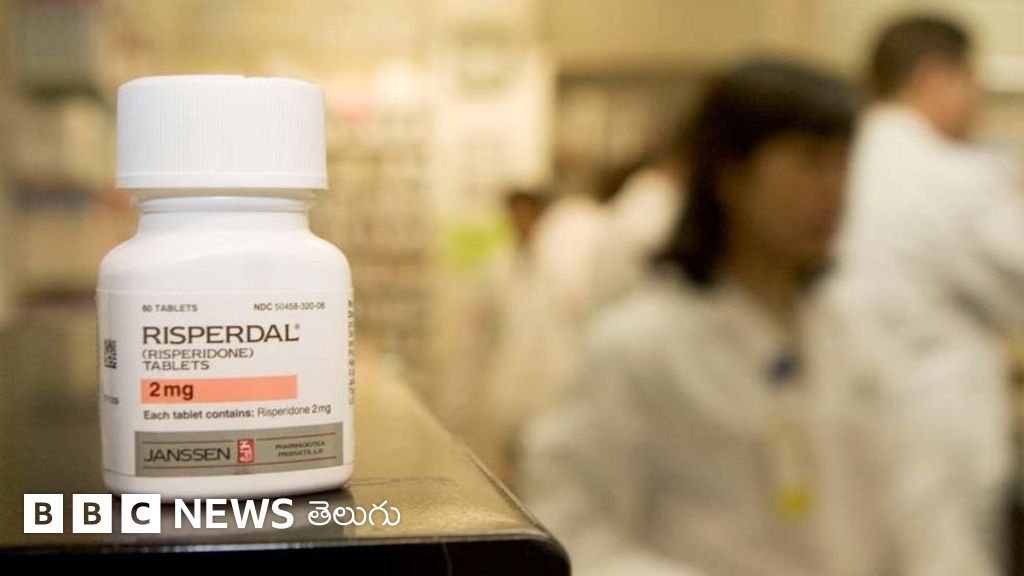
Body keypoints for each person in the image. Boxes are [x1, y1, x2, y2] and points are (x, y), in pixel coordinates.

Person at [521, 58, 881, 576]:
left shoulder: (847, 334)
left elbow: (907, 506)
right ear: (730, 174)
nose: (834, 188)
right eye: (811, 161)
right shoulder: (639, 347)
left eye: (843, 163)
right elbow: (571, 526)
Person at [836, 14, 1024, 575]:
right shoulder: (950, 174)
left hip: (848, 414)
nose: (977, 101)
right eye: (972, 82)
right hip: (939, 424)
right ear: (935, 76)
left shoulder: (846, 157)